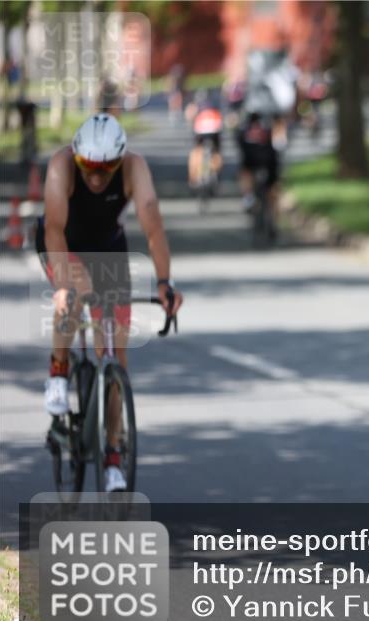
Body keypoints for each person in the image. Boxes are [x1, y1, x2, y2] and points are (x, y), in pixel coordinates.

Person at [38, 113, 184, 491]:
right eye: (89, 167)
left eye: (107, 168)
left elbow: (153, 227)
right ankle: (58, 370)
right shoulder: (61, 167)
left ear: (120, 161)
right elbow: (54, 230)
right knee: (71, 296)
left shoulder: (135, 168)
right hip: (62, 243)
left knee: (116, 357)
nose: (97, 177)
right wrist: (63, 286)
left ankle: (114, 458)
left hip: (108, 247)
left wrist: (165, 282)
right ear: (77, 157)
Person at [235, 110, 284, 222]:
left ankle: (248, 198)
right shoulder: (269, 129)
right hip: (270, 162)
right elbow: (278, 144)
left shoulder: (244, 131)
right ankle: (275, 217)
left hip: (252, 161)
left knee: (245, 173)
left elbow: (239, 145)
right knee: (273, 188)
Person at [187, 93, 224, 190]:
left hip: (201, 131)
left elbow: (189, 115)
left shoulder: (196, 106)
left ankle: (193, 179)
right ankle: (217, 173)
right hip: (215, 130)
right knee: (217, 152)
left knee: (196, 152)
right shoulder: (215, 105)